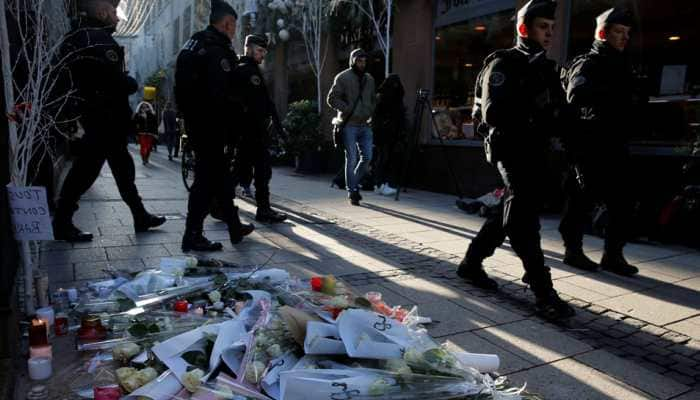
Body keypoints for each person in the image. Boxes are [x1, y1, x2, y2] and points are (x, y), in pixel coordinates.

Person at [456, 0, 574, 320]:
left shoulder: (547, 68)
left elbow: (559, 113)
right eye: (542, 27)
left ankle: (470, 263)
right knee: (522, 218)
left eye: (552, 28)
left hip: (537, 151)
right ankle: (542, 289)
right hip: (510, 150)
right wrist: (535, 109)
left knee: (510, 210)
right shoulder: (504, 63)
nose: (549, 33)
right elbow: (494, 113)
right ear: (524, 29)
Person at [52, 0, 165, 242]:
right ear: (102, 12)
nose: (117, 17)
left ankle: (140, 215)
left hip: (93, 118)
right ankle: (61, 222)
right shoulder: (98, 39)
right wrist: (130, 83)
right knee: (86, 171)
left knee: (123, 170)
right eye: (114, 11)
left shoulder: (77, 35)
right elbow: (109, 82)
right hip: (103, 120)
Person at [558, 8, 642, 276]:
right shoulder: (588, 64)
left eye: (627, 33)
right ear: (603, 33)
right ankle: (573, 251)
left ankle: (613, 255)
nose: (624, 37)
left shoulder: (623, 64)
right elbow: (573, 106)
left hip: (615, 145)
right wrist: (575, 151)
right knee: (580, 202)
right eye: (619, 31)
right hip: (588, 147)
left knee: (623, 203)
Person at [175, 0, 254, 252]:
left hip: (196, 123)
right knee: (206, 181)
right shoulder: (216, 50)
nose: (234, 32)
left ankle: (233, 227)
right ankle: (193, 235)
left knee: (216, 178)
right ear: (227, 23)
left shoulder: (194, 43)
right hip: (212, 125)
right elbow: (222, 95)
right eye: (233, 26)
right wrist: (234, 126)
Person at [230, 34, 287, 223]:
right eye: (260, 51)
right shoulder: (246, 70)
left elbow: (266, 103)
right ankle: (262, 210)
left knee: (246, 170)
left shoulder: (250, 69)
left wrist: (277, 127)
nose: (263, 55)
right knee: (257, 170)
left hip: (253, 130)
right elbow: (251, 103)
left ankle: (221, 203)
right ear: (249, 48)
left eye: (264, 51)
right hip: (250, 130)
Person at [328, 49, 376, 206]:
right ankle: (352, 191)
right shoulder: (342, 77)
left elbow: (372, 99)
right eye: (358, 61)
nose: (362, 64)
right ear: (352, 61)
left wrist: (370, 111)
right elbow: (331, 98)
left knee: (367, 157)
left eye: (364, 61)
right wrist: (348, 109)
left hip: (365, 124)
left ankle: (353, 184)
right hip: (349, 124)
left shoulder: (369, 79)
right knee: (352, 157)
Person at [372, 74, 407, 196]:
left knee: (385, 158)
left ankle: (381, 184)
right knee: (384, 158)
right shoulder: (385, 98)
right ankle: (381, 183)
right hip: (386, 133)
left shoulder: (386, 97)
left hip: (389, 133)